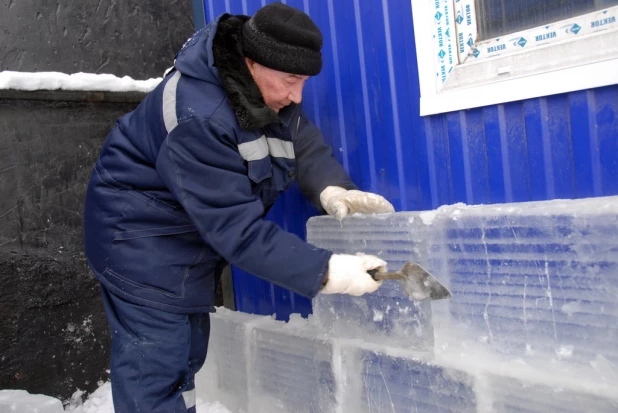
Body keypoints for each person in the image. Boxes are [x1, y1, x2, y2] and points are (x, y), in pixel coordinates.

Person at [83, 2, 394, 412]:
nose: (297, 95)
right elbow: (237, 231)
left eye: (303, 81)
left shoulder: (258, 89)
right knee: (157, 367)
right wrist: (327, 271)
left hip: (186, 238)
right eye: (291, 79)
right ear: (252, 62)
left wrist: (330, 188)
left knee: (187, 355)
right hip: (139, 239)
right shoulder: (199, 115)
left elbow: (298, 138)